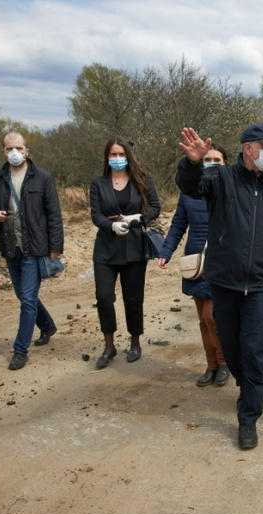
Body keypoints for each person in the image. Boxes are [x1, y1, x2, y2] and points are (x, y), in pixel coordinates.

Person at [176, 123, 263, 450]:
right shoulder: (221, 178)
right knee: (231, 348)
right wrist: (192, 162)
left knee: (255, 349)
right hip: (224, 283)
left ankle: (248, 418)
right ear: (248, 148)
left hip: (260, 286)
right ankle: (247, 386)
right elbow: (190, 187)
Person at [0, 132, 63, 370]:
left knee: (27, 299)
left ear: (27, 151)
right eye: (9, 148)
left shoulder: (42, 177)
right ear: (3, 151)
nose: (14, 152)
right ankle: (47, 326)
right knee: (23, 295)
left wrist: (55, 247)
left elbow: (53, 213)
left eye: (18, 148)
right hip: (10, 246)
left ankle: (20, 350)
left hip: (35, 247)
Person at [158, 145, 230, 387]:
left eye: (217, 159)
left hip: (222, 262)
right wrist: (166, 251)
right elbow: (178, 224)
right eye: (207, 159)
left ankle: (224, 362)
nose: (211, 163)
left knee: (212, 317)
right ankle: (211, 365)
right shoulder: (189, 192)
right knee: (202, 320)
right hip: (196, 262)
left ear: (226, 163)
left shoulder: (232, 189)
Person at [89, 136, 161, 368]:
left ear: (128, 156)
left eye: (121, 154)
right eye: (113, 154)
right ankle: (109, 346)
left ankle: (135, 342)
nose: (117, 158)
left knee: (133, 298)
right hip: (106, 249)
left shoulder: (142, 180)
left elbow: (155, 208)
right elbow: (96, 214)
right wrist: (110, 226)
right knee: (103, 297)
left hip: (134, 248)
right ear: (107, 157)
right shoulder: (98, 183)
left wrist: (138, 218)